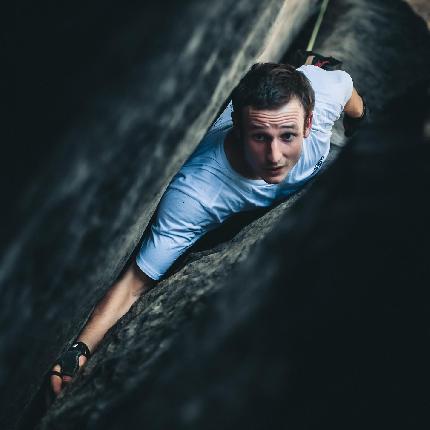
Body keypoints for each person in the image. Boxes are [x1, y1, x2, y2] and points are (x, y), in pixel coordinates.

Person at [48, 53, 366, 397]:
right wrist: (78, 351)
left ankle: (307, 63)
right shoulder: (195, 195)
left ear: (309, 123)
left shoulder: (326, 89)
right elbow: (133, 284)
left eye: (287, 136)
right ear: (238, 127)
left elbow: (352, 99)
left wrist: (362, 128)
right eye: (259, 138)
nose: (274, 156)